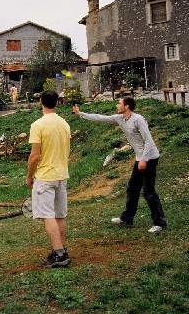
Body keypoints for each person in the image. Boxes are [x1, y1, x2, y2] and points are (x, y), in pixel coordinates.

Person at [73, 97, 167, 233]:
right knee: (132, 188)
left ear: (127, 106)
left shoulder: (138, 119)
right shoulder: (120, 118)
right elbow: (101, 118)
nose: (117, 105)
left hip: (150, 158)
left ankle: (160, 223)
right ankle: (127, 218)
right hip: (140, 158)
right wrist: (81, 114)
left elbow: (149, 141)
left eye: (120, 103)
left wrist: (144, 159)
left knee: (148, 192)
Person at [27, 90, 72, 268]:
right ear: (57, 103)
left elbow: (34, 157)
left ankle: (59, 254)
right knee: (60, 215)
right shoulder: (65, 124)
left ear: (40, 102)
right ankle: (61, 249)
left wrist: (29, 176)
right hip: (61, 175)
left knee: (47, 216)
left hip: (45, 177)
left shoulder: (38, 125)